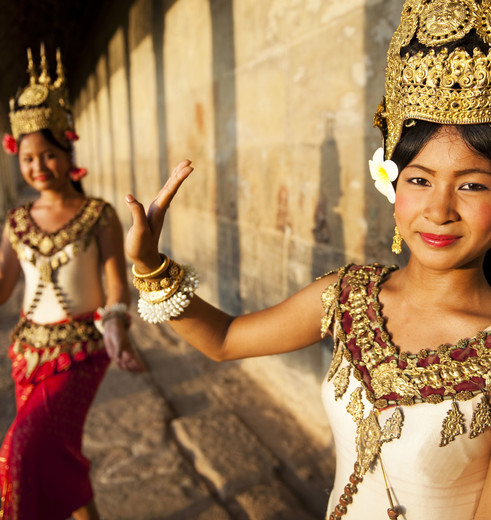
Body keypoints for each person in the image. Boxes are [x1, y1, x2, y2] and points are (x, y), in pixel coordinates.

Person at [125, 1, 491, 519]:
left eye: (473, 184)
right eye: (419, 179)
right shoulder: (348, 296)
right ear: (391, 183)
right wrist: (149, 265)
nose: (439, 209)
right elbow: (225, 340)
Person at [0, 46, 143, 520]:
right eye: (27, 158)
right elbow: (2, 287)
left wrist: (116, 325)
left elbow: (115, 285)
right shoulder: (16, 220)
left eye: (48, 154)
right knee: (57, 454)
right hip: (27, 352)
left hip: (82, 350)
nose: (38, 166)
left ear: (68, 151)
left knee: (21, 448)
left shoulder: (98, 214)